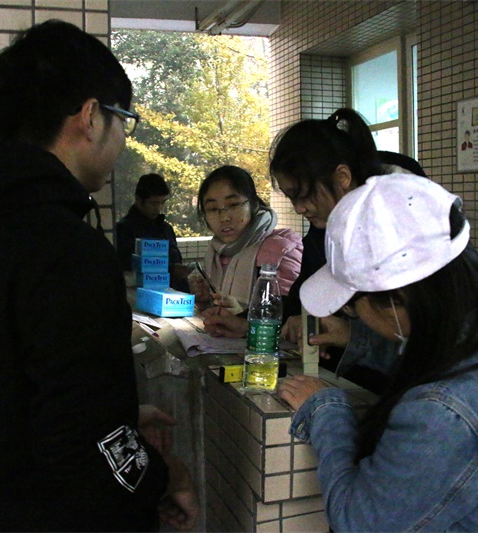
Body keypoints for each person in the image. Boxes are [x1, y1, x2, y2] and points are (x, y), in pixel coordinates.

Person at [0, 20, 198, 532]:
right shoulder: (65, 248)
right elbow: (83, 447)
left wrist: (117, 414)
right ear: (91, 116)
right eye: (123, 120)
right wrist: (166, 475)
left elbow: (4, 396)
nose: (120, 140)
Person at [277, 174, 478, 531]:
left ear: (397, 301)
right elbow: (442, 359)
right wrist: (355, 339)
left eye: (351, 306)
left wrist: (326, 409)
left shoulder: (442, 410)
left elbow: (360, 521)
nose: (352, 314)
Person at [269, 107, 426, 389]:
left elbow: (427, 350)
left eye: (302, 195)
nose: (299, 208)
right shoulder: (329, 226)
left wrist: (355, 339)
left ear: (342, 176)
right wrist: (349, 336)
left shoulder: (406, 233)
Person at [189, 165, 302, 338]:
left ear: (254, 204)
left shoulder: (280, 251)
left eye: (233, 205)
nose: (224, 217)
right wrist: (207, 302)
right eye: (212, 209)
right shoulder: (215, 253)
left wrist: (244, 314)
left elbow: (293, 321)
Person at [115, 173, 189, 290]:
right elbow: (126, 271)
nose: (158, 208)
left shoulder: (166, 229)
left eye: (162, 203)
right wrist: (170, 271)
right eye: (154, 203)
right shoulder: (124, 230)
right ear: (139, 200)